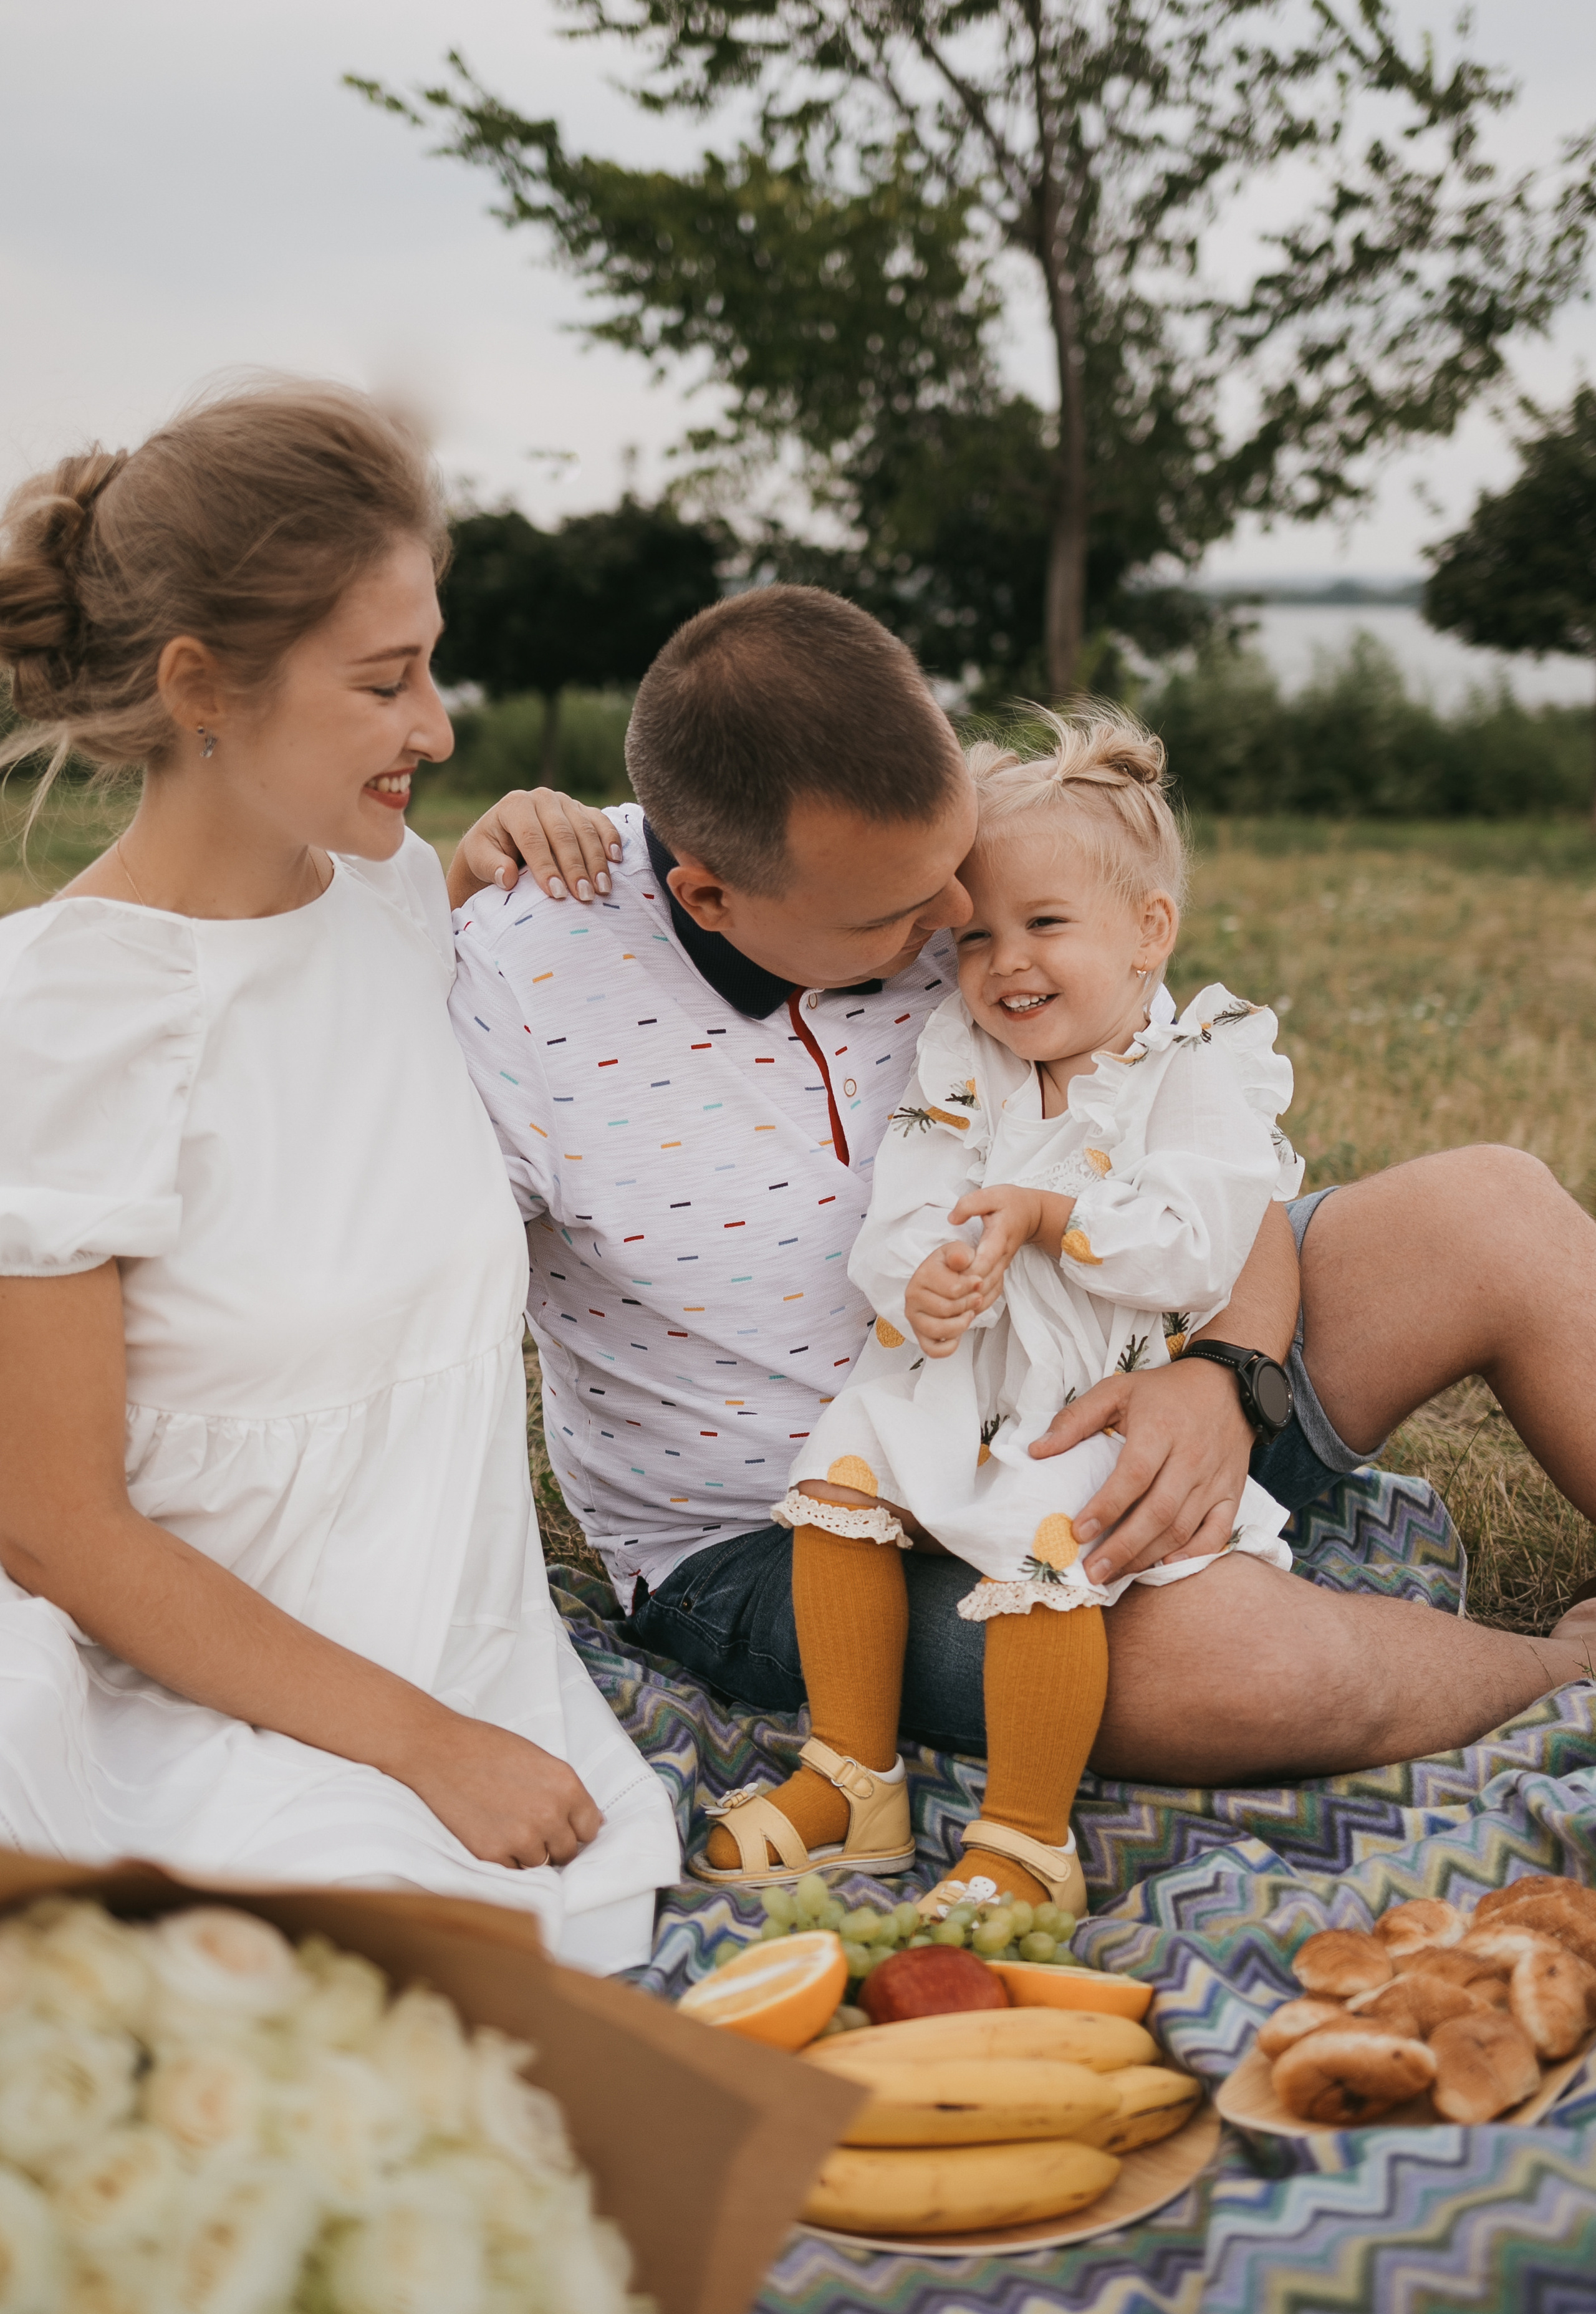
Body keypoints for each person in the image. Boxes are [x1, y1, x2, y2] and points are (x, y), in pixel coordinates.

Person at [448, 585, 1596, 1814]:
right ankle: (1563, 1669)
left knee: (1492, 1209)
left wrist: (1224, 1375)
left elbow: (1213, 1161)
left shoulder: (959, 876)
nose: (957, 922)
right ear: (709, 897)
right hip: (815, 1537)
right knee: (1242, 1664)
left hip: (1115, 1364)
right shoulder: (518, 988)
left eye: (958, 870)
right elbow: (384, 1329)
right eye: (905, 911)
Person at [0, 381, 678, 1971]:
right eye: (385, 682)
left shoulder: (386, 896)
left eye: (429, 663)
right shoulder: (60, 1022)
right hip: (172, 1687)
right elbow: (51, 1528)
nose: (438, 727)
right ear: (200, 688)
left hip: (458, 1631)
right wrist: (426, 1745)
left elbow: (335, 1064)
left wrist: (471, 856)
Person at [695, 708, 1302, 1910]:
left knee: (1046, 1536)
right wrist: (921, 1279)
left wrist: (1043, 1214)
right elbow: (911, 1190)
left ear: (1149, 933)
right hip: (962, 1378)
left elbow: (1194, 1250)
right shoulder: (963, 1057)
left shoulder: (1202, 1070)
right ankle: (853, 1777)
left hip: (1101, 1396)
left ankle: (1028, 1838)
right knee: (844, 1476)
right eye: (979, 937)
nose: (1006, 963)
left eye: (1048, 926)